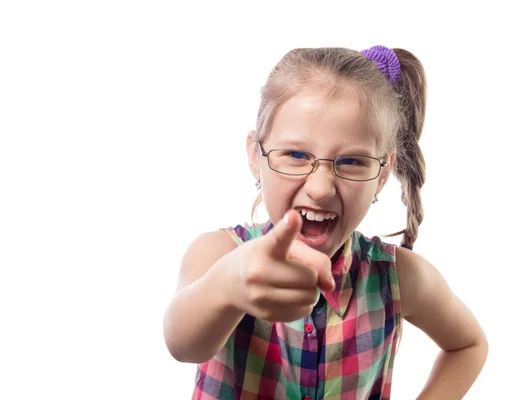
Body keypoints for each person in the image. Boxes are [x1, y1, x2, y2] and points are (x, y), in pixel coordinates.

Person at [163, 45, 488, 400]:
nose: (319, 189)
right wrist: (228, 285)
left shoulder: (399, 277)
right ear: (256, 157)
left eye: (352, 161)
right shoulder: (218, 253)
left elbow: (469, 345)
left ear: (382, 175)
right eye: (296, 155)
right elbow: (183, 344)